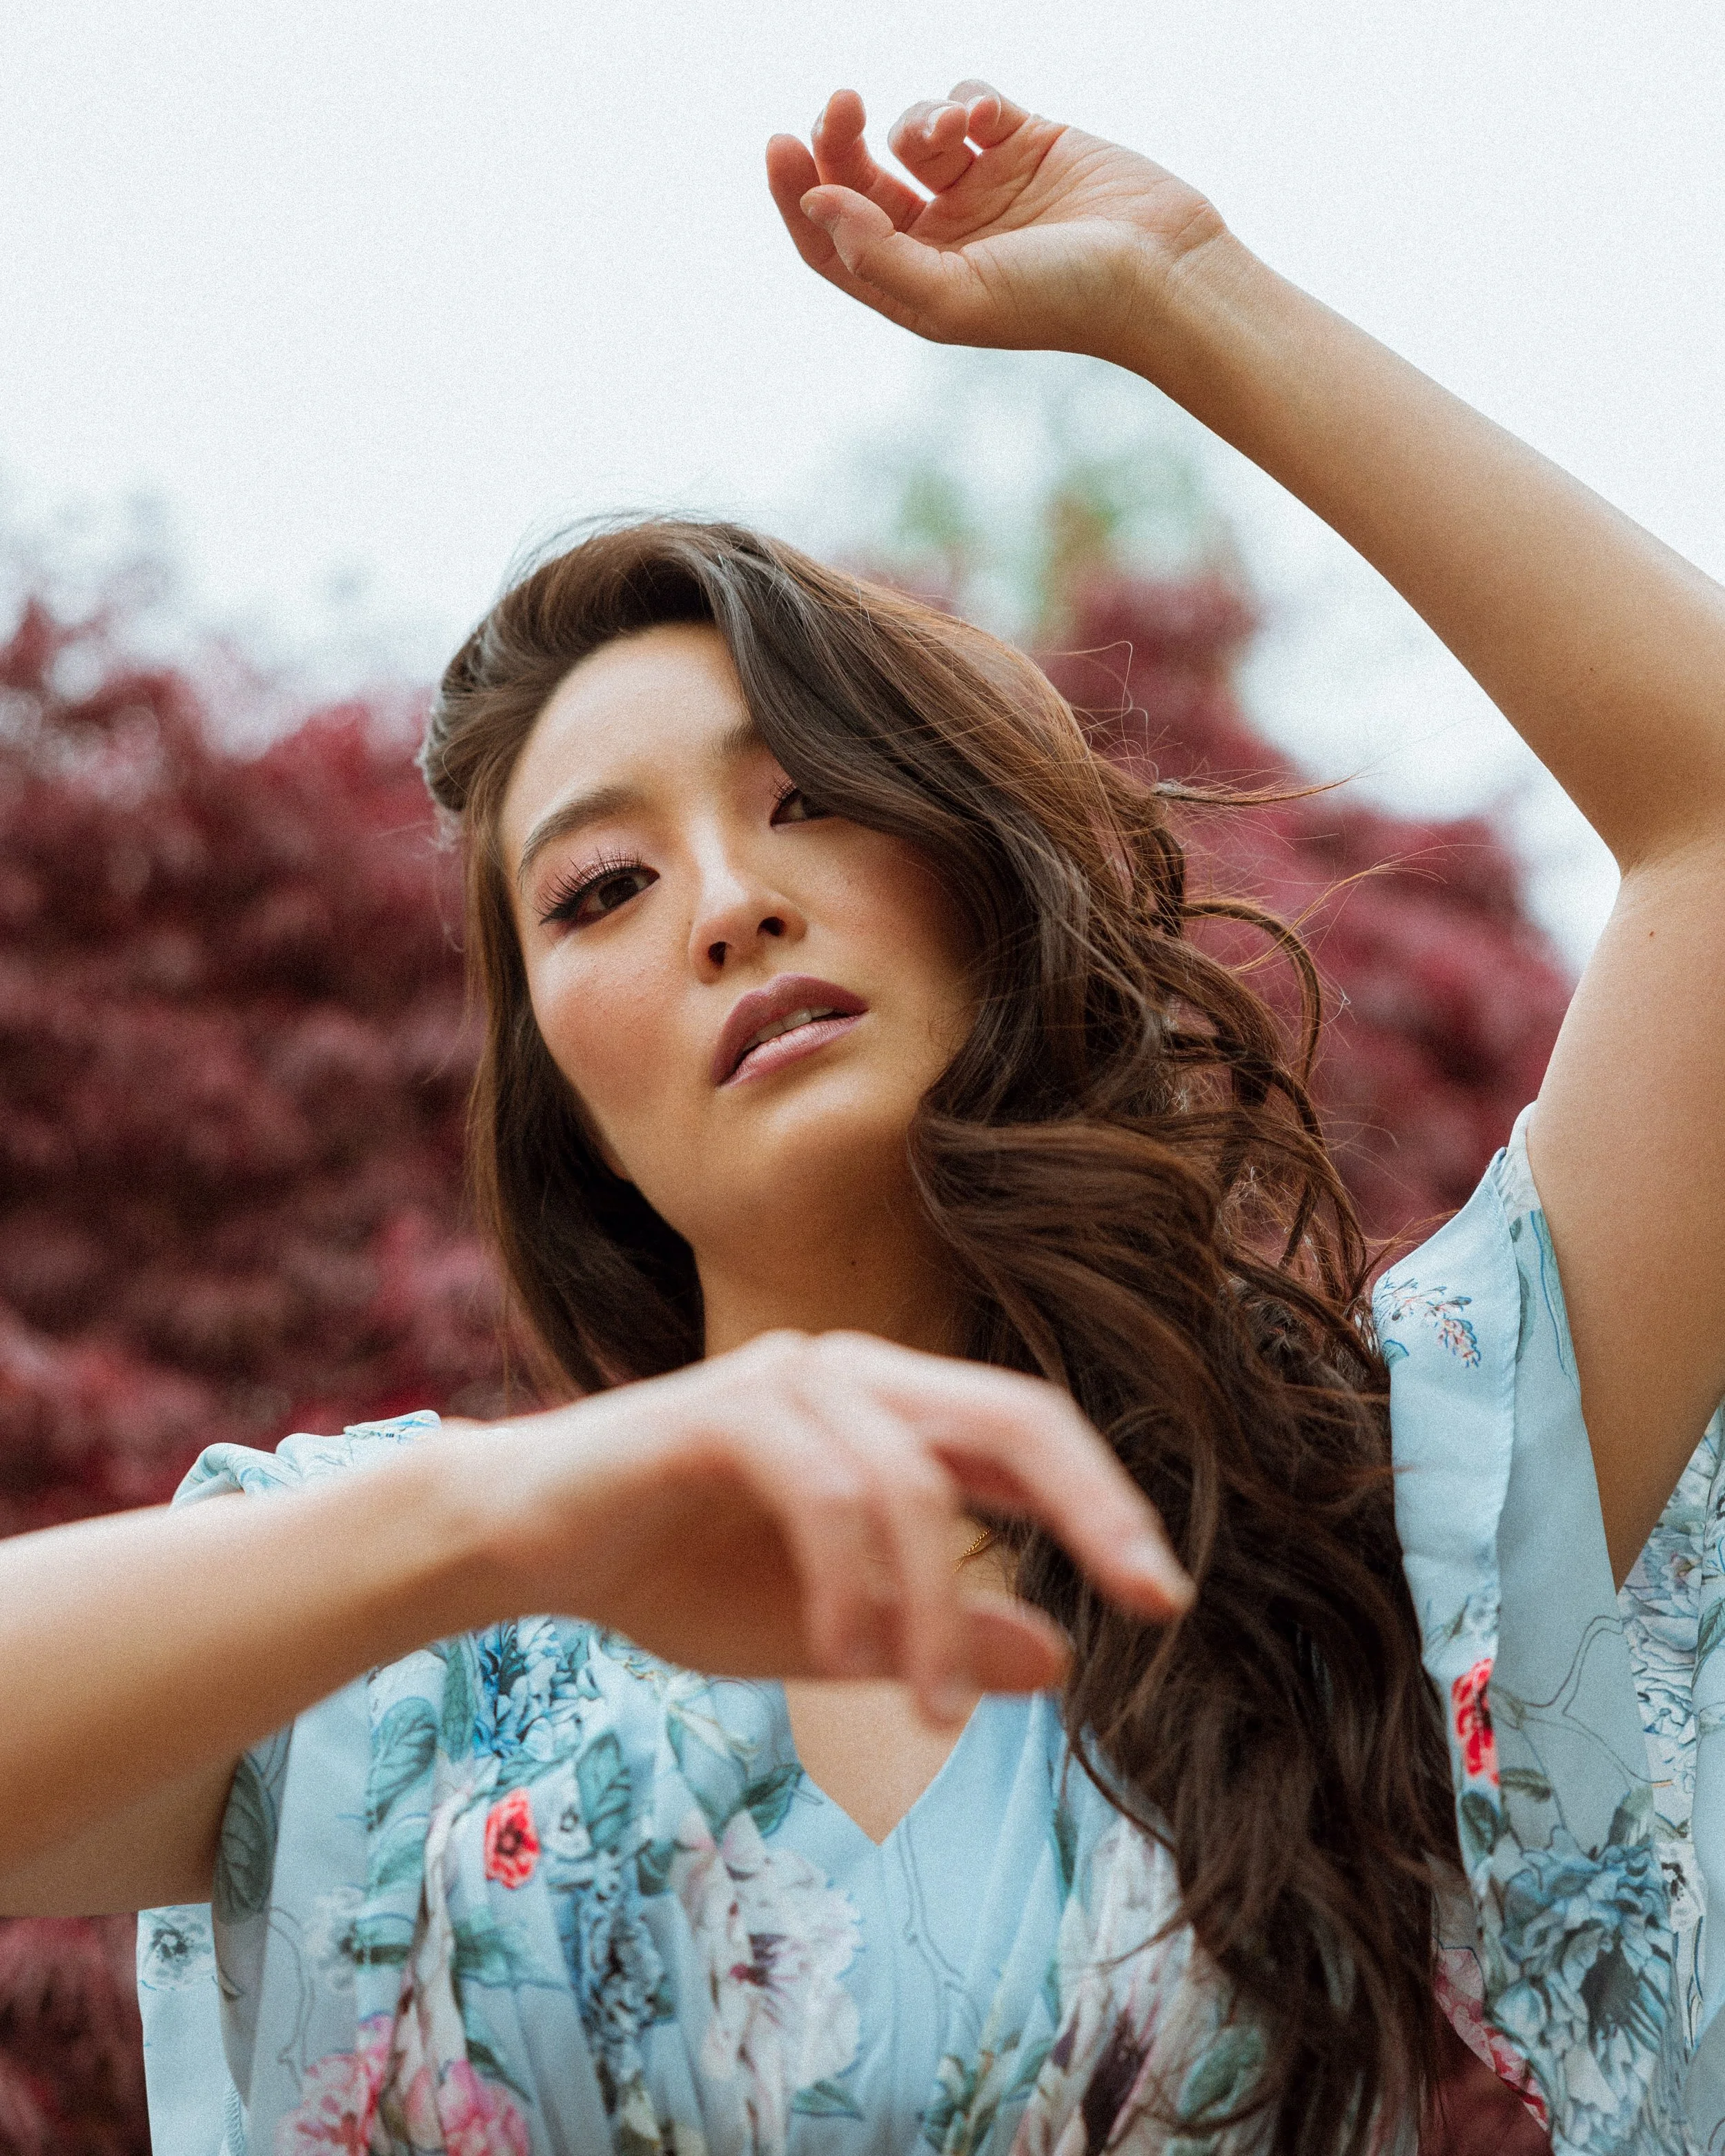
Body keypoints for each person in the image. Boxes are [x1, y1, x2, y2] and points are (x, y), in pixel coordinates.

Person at [1, 73, 1722, 2156]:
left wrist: (1188, 301)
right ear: (561, 1089)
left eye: (803, 797)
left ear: (979, 882)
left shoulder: (1411, 1507)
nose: (727, 904)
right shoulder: (404, 1662)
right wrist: (489, 1523)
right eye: (601, 890)